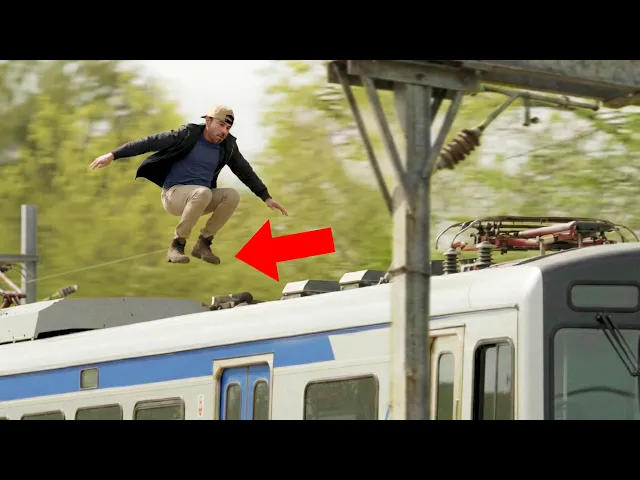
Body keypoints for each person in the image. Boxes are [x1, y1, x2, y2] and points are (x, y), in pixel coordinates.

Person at [89, 104, 288, 265]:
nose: (224, 132)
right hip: (173, 195)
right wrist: (113, 155)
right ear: (208, 121)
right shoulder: (186, 135)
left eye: (228, 128)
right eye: (221, 125)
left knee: (231, 195)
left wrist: (266, 196)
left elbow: (244, 171)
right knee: (203, 193)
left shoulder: (227, 147)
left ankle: (203, 243)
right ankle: (177, 245)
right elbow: (149, 142)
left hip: (200, 199)